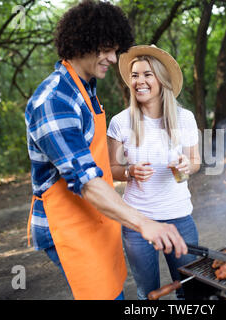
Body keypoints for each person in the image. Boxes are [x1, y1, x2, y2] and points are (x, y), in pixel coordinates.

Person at [24, 1, 187, 300]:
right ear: (83, 41)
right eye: (107, 49)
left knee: (114, 290)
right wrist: (144, 222)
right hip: (69, 222)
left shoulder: (85, 89)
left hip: (96, 216)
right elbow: (86, 181)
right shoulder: (53, 101)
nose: (113, 59)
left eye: (115, 50)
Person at [107, 45, 201, 300]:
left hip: (179, 217)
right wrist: (129, 171)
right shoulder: (120, 122)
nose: (139, 81)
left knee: (191, 290)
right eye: (135, 75)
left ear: (161, 79)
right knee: (148, 294)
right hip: (138, 222)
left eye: (147, 74)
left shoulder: (185, 118)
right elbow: (111, 170)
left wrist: (186, 165)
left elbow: (196, 162)